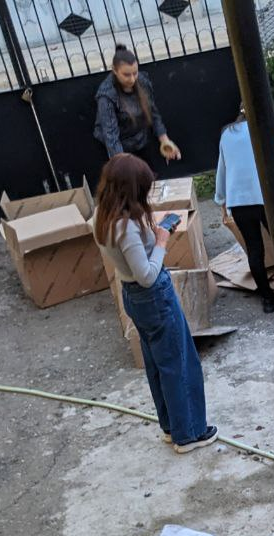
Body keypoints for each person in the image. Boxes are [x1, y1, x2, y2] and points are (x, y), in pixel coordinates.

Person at [93, 154, 216, 453]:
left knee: (158, 365)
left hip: (135, 298)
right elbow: (146, 275)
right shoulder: (126, 228)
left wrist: (154, 230)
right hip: (152, 296)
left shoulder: (104, 215)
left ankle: (172, 427)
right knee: (180, 364)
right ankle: (189, 435)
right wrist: (161, 241)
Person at [213, 108, 274, 313]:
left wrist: (221, 200)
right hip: (269, 199)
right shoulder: (268, 130)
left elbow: (222, 170)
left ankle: (267, 299)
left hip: (239, 203)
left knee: (254, 250)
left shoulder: (227, 135)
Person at [94, 45, 181, 168]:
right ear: (114, 70)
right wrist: (123, 165)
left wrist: (165, 140)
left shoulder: (143, 81)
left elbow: (153, 113)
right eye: (126, 75)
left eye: (135, 73)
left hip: (142, 140)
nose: (132, 79)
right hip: (119, 147)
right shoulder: (106, 96)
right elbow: (111, 137)